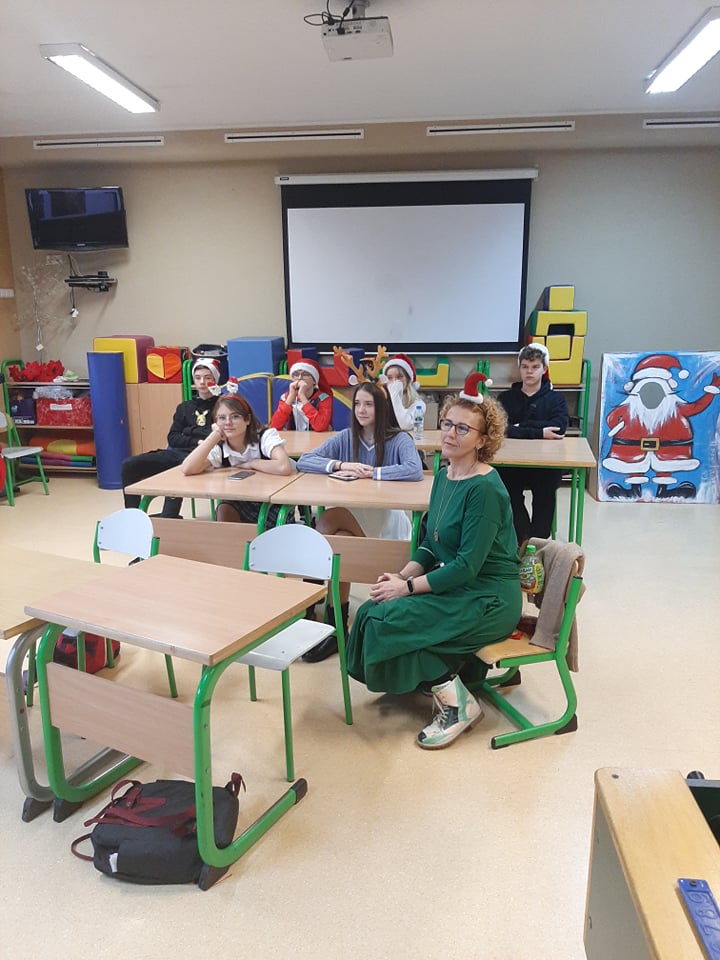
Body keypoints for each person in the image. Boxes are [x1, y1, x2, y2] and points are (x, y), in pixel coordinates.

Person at [346, 374, 522, 750]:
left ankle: (460, 707)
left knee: (390, 620)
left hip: (489, 598)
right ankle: (432, 678)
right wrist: (401, 576)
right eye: (447, 424)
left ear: (483, 440)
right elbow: (430, 543)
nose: (450, 434)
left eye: (463, 428)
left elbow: (466, 567)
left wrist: (407, 589)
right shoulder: (444, 475)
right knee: (372, 611)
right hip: (460, 586)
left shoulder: (485, 489)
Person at [296, 380, 424, 661]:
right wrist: (340, 464)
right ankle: (336, 628)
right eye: (357, 404)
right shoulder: (346, 437)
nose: (361, 410)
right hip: (355, 519)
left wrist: (372, 472)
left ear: (382, 408)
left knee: (327, 520)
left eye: (369, 404)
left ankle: (308, 605)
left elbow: (414, 470)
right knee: (340, 543)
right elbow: (304, 461)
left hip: (387, 523)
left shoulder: (398, 439)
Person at [121, 359, 220, 518]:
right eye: (198, 377)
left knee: (180, 470)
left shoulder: (222, 405)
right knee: (129, 465)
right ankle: (133, 517)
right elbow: (173, 438)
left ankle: (169, 516)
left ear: (215, 379)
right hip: (179, 454)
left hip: (208, 457)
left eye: (208, 377)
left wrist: (187, 431)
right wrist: (197, 439)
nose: (202, 382)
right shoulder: (184, 407)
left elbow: (220, 433)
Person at [181, 393, 294, 526]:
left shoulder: (265, 437)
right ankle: (232, 540)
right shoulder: (221, 448)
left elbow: (283, 467)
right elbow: (187, 468)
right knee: (224, 508)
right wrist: (215, 435)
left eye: (235, 416)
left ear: (247, 419)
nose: (228, 422)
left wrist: (252, 463)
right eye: (222, 418)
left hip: (273, 501)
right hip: (242, 500)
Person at [496, 344, 569, 543]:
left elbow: (559, 428)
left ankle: (538, 541)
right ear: (520, 369)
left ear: (544, 369)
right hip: (512, 463)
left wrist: (519, 427)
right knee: (505, 490)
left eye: (535, 367)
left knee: (545, 494)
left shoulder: (556, 399)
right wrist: (539, 432)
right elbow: (500, 427)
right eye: (525, 367)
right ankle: (522, 537)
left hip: (545, 464)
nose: (529, 371)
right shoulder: (506, 398)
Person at [270, 359, 333, 432]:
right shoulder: (286, 397)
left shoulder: (323, 398)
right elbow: (275, 426)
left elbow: (320, 427)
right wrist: (290, 398)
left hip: (317, 437)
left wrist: (302, 396)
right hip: (294, 437)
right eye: (296, 374)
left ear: (314, 381)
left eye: (305, 374)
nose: (300, 378)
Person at [382, 353, 426, 433]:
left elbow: (405, 425)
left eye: (399, 377)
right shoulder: (381, 400)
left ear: (408, 379)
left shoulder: (419, 404)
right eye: (389, 378)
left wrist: (395, 396)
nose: (394, 382)